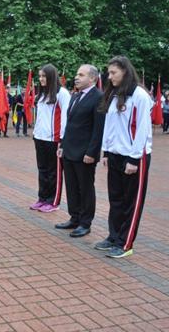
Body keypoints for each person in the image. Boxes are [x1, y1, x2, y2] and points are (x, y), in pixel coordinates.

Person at [95, 55, 153, 258]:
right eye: (109, 72)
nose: (109, 77)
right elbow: (110, 127)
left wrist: (134, 159)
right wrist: (106, 151)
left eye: (113, 73)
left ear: (125, 72)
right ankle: (113, 236)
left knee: (131, 201)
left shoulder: (140, 96)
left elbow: (143, 130)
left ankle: (125, 243)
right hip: (115, 155)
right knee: (116, 199)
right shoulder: (114, 94)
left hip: (134, 156)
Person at [55, 65, 105, 238]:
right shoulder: (76, 95)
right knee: (72, 186)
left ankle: (85, 222)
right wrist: (62, 145)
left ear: (92, 78)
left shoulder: (98, 97)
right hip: (69, 150)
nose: (76, 77)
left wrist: (92, 153)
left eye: (81, 75)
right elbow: (70, 125)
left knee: (85, 188)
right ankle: (74, 217)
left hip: (85, 153)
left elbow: (98, 129)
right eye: (76, 74)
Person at [30, 64, 71, 213]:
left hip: (54, 139)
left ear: (51, 77)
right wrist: (36, 134)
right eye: (39, 76)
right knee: (42, 170)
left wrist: (62, 140)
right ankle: (42, 198)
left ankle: (53, 201)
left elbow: (66, 118)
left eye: (43, 76)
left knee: (54, 171)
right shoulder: (41, 94)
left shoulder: (62, 93)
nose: (41, 79)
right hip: (40, 138)